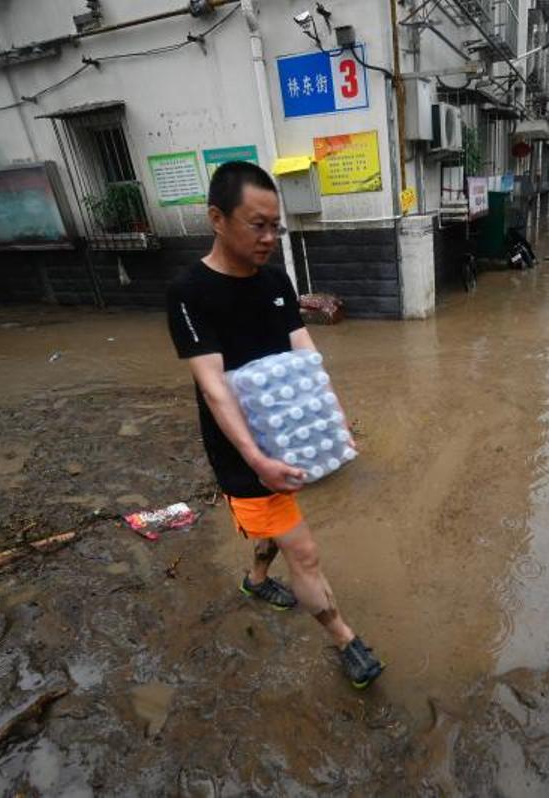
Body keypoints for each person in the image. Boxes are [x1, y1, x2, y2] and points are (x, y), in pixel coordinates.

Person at [165, 161, 384, 689]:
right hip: (244, 455)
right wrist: (257, 460)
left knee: (277, 528)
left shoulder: (276, 279)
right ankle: (345, 639)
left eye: (275, 226)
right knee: (303, 551)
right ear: (217, 218)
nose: (268, 237)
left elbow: (305, 354)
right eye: (256, 224)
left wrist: (334, 423)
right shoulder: (190, 292)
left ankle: (256, 579)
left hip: (297, 432)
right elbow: (214, 387)